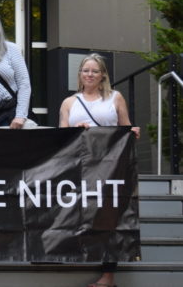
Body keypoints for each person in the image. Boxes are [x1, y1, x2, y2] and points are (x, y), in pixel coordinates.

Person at [59, 53, 140, 287]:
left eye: (95, 71)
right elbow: (60, 136)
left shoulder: (115, 98)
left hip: (110, 167)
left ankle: (108, 275)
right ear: (80, 74)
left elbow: (126, 129)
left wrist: (132, 132)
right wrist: (74, 128)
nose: (90, 75)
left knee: (109, 218)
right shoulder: (69, 103)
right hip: (78, 168)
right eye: (86, 71)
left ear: (103, 74)